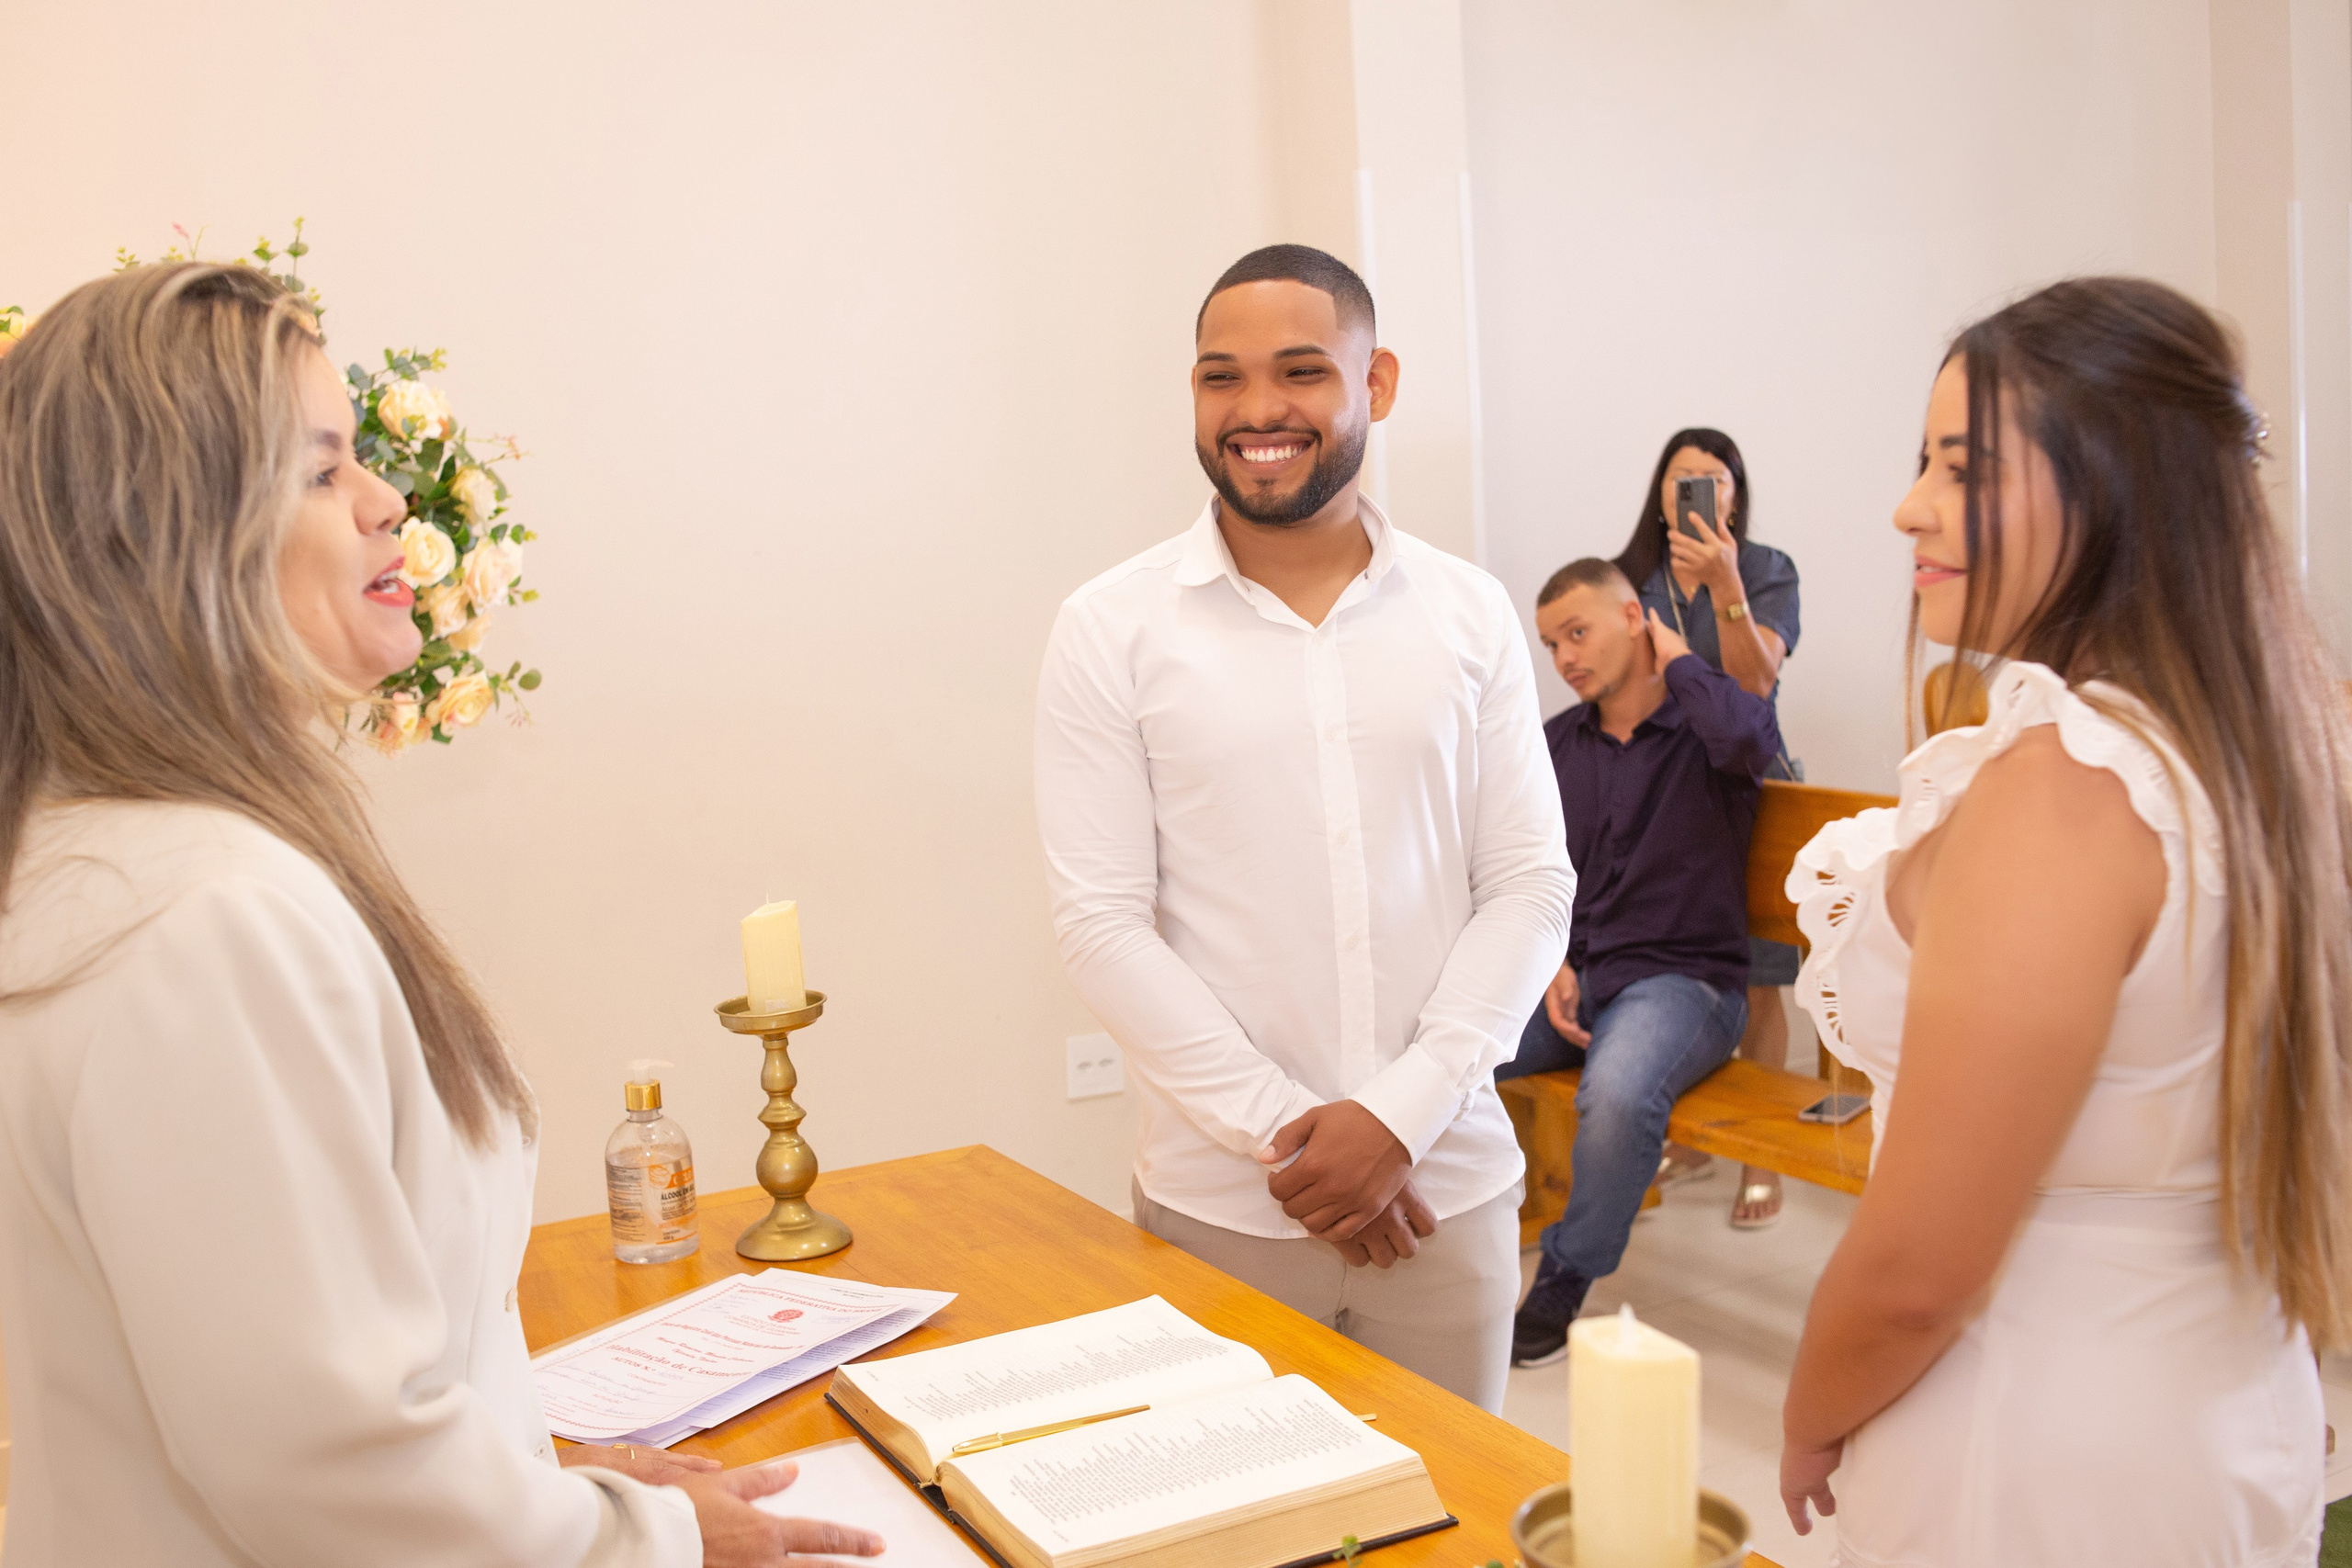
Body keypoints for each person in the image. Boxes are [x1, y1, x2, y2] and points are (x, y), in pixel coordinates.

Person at [0, 263, 884, 1567]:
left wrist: (536, 1461)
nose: (386, 503)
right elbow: (331, 1473)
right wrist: (640, 1537)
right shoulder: (211, 923)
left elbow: (291, 1384)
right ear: (172, 534)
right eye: (319, 471)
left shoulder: (118, 863)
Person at [1776, 276, 2346, 1562]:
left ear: (2113, 485)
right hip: (2218, 1383)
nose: (1908, 505)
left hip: (2041, 1435)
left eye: (1960, 467)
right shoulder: (2264, 746)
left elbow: (1922, 1262)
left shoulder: (2067, 793)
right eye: (1922, 459)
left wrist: (1814, 1407)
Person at [1033, 244, 1575, 1414]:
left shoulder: (1469, 613)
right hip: (1223, 1207)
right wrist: (1297, 1138)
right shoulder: (1110, 627)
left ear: (1374, 383)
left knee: (1448, 1526)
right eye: (1219, 378)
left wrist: (1399, 1115)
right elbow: (1101, 925)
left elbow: (1529, 883)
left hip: (1449, 1189)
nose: (1258, 410)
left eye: (1298, 372)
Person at [1499, 560, 1784, 1367]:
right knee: (1455, 1050)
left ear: (1636, 618)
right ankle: (1441, 1245)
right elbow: (1530, 870)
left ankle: (1563, 1279)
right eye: (1551, 642)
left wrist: (1680, 655)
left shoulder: (1709, 731)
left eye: (1578, 632)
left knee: (1619, 1095)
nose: (1563, 657)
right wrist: (1551, 960)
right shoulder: (1558, 743)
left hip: (1686, 983)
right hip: (1578, 979)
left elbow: (1751, 736)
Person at [1613, 427, 1804, 1228]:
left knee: (1758, 981)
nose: (1696, 489)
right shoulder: (1628, 578)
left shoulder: (1764, 569)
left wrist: (1723, 582)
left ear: (1736, 494)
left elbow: (1756, 678)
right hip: (1662, 798)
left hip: (1749, 788)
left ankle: (1759, 1162)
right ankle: (1691, 1140)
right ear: (1659, 492)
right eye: (1681, 477)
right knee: (1675, 977)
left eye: (1714, 479)